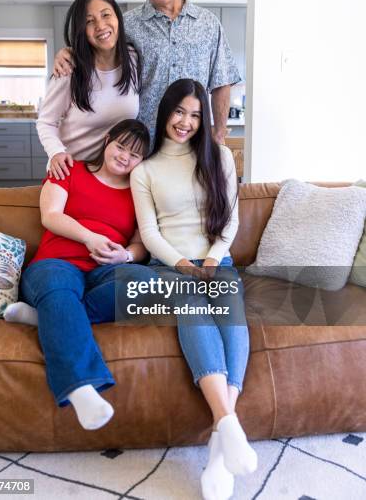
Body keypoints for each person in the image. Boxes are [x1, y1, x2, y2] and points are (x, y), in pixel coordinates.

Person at [130, 80, 256, 500]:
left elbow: (232, 221)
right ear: (165, 111)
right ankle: (227, 424)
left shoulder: (218, 156)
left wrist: (214, 259)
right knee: (190, 302)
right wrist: (183, 265)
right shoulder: (144, 170)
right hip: (170, 266)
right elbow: (149, 233)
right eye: (179, 112)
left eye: (195, 115)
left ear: (204, 119)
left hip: (215, 261)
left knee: (230, 306)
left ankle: (221, 443)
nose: (186, 122)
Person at [4, 119, 156, 431]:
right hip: (57, 263)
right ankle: (81, 388)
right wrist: (89, 237)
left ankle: (45, 316)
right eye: (121, 146)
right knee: (58, 288)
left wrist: (125, 255)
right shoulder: (69, 170)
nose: (125, 156)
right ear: (107, 139)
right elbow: (51, 215)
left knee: (146, 282)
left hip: (106, 271)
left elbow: (142, 244)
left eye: (135, 155)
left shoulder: (140, 192)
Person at [53, 0, 241, 146]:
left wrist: (218, 136)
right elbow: (96, 53)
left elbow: (221, 83)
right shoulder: (127, 26)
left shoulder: (209, 24)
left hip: (195, 147)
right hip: (143, 149)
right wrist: (68, 52)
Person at [37, 0, 141, 180]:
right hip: (71, 171)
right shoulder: (70, 69)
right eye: (89, 21)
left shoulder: (133, 59)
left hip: (111, 175)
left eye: (106, 15)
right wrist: (56, 152)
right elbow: (46, 121)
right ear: (81, 30)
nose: (100, 25)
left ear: (117, 17)